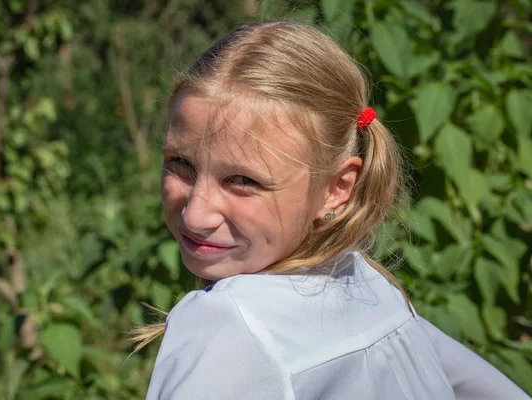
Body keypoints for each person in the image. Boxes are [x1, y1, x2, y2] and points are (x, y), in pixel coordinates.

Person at [133, 21, 531, 399]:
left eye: (243, 181)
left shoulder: (231, 323)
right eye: (180, 163)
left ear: (336, 189)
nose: (195, 215)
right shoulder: (372, 289)